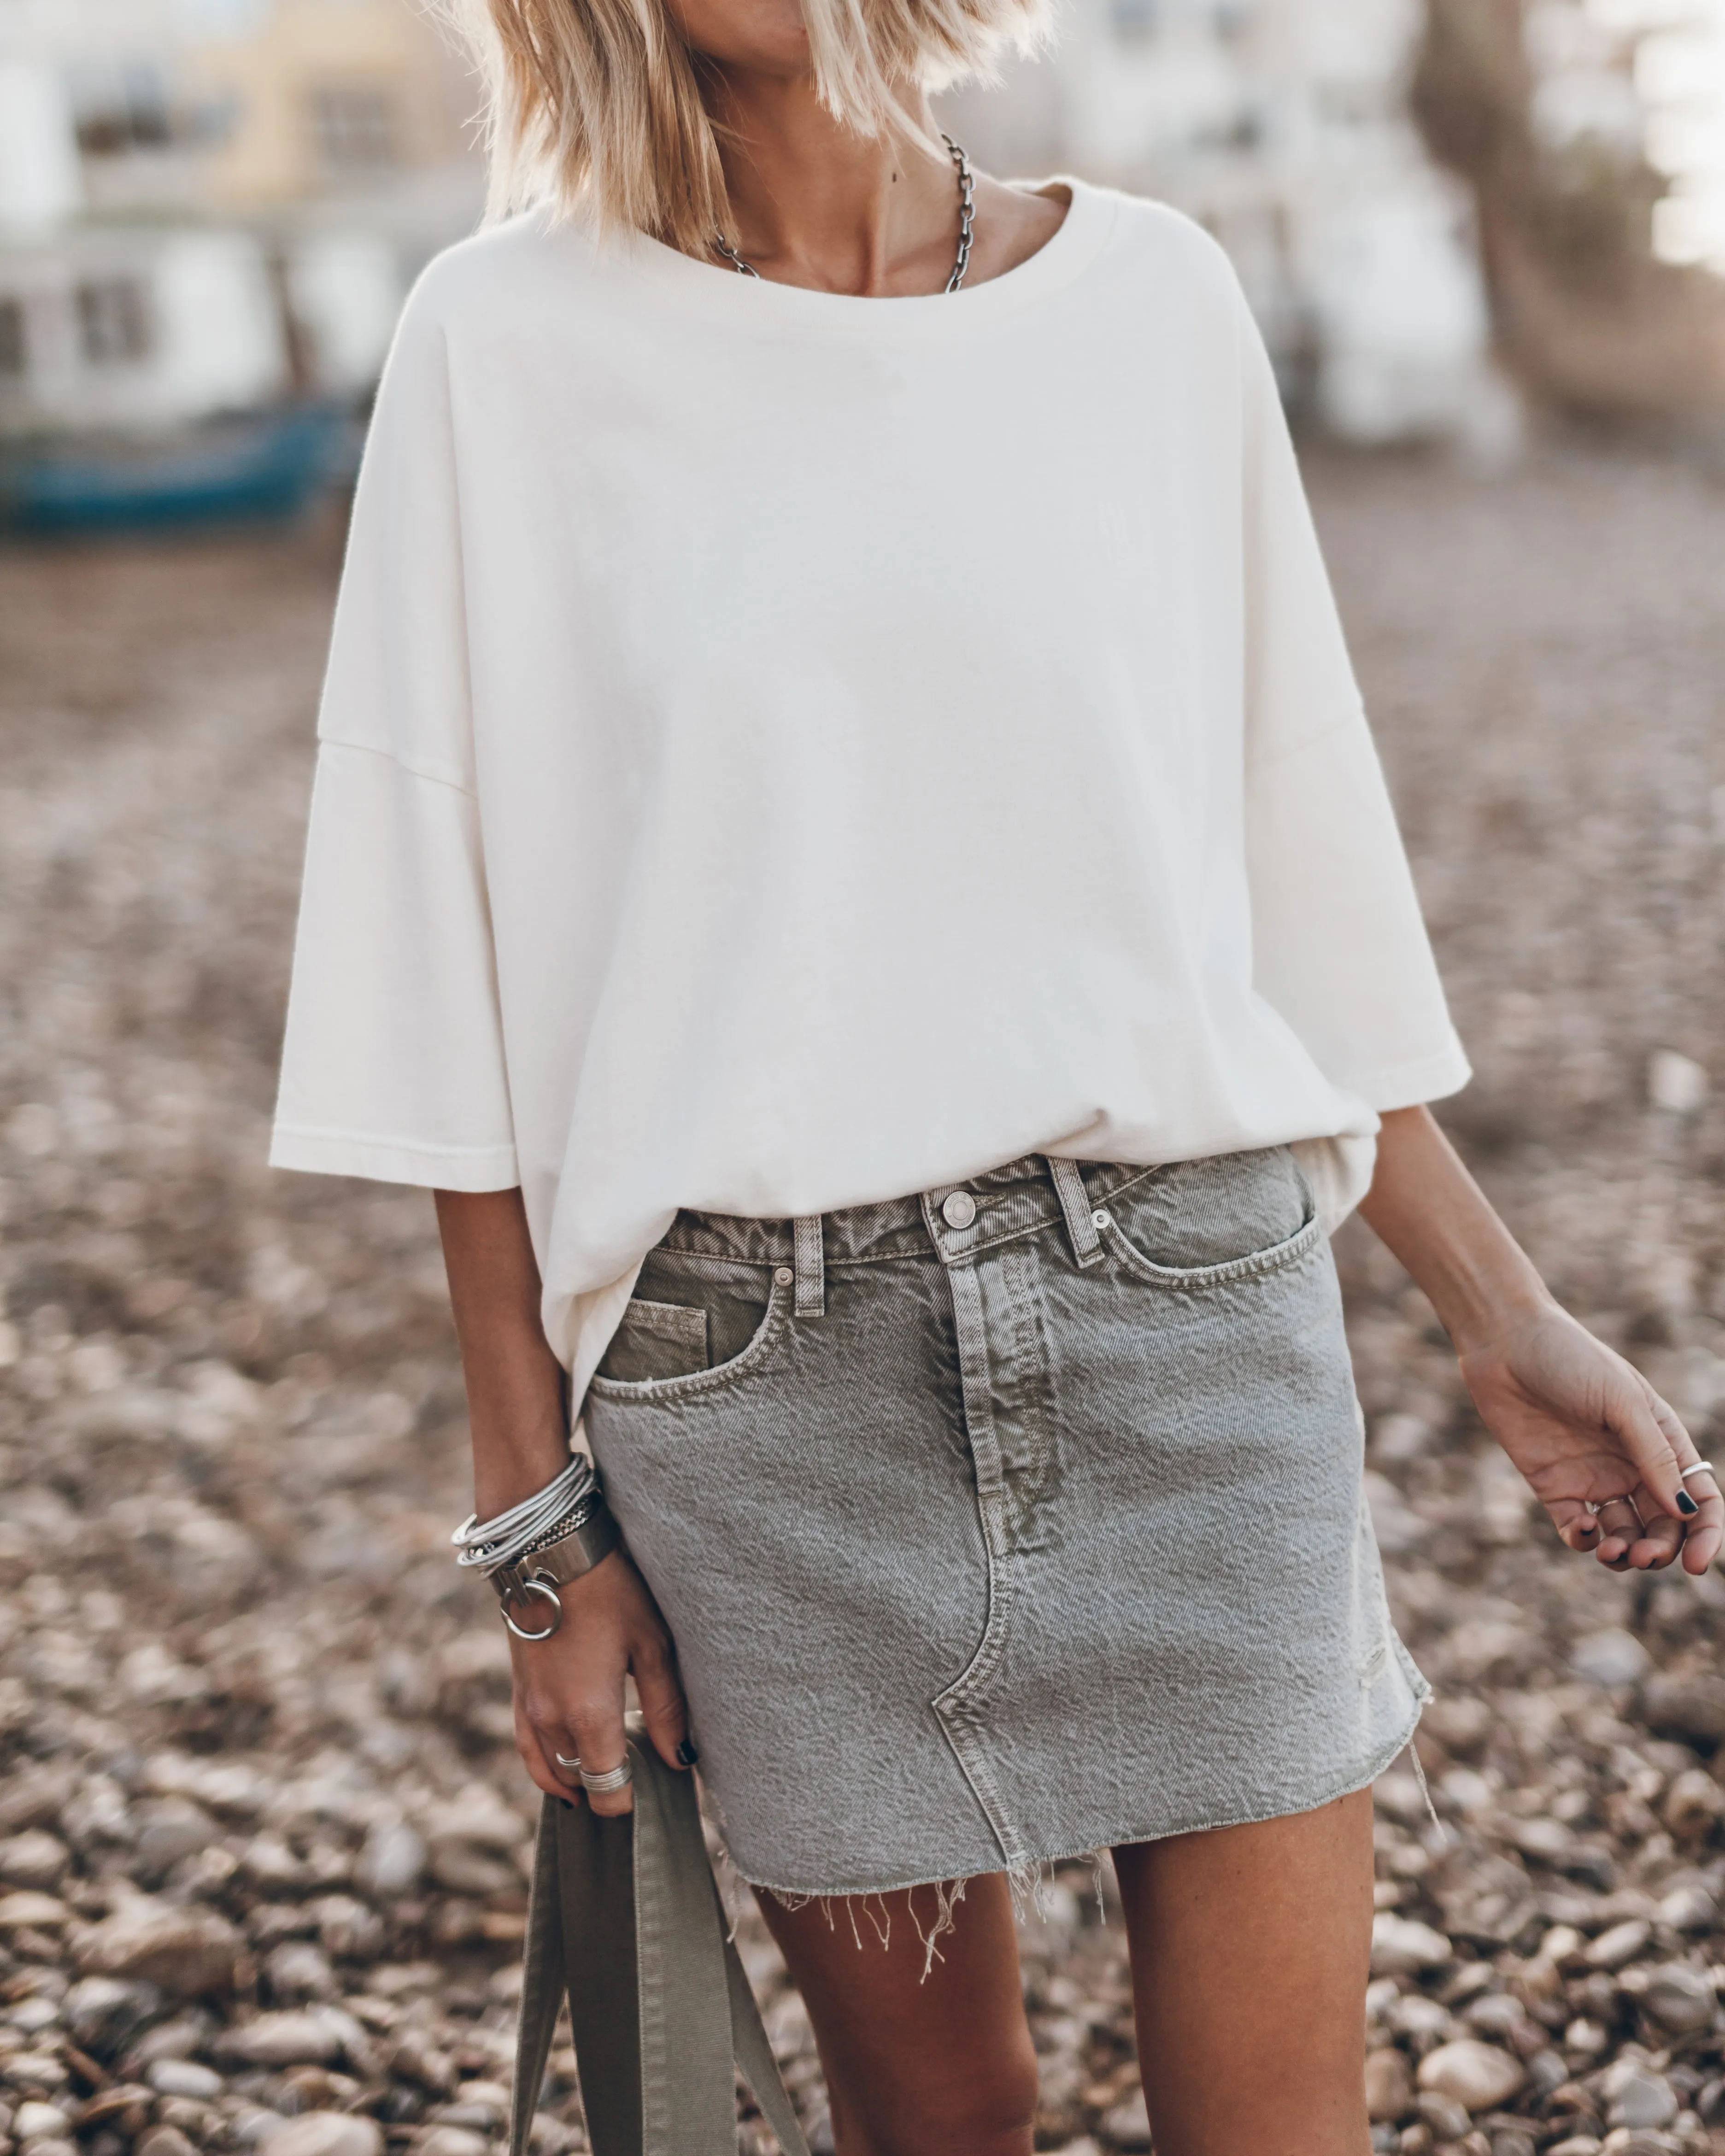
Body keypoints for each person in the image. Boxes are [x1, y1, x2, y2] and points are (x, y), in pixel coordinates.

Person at [269, 0, 1723, 2142]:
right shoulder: (499, 346)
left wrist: (1499, 1314)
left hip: (1196, 1327)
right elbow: (439, 977)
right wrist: (540, 1539)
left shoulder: (1156, 301)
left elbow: (1272, 874)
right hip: (763, 1399)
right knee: (940, 2134)